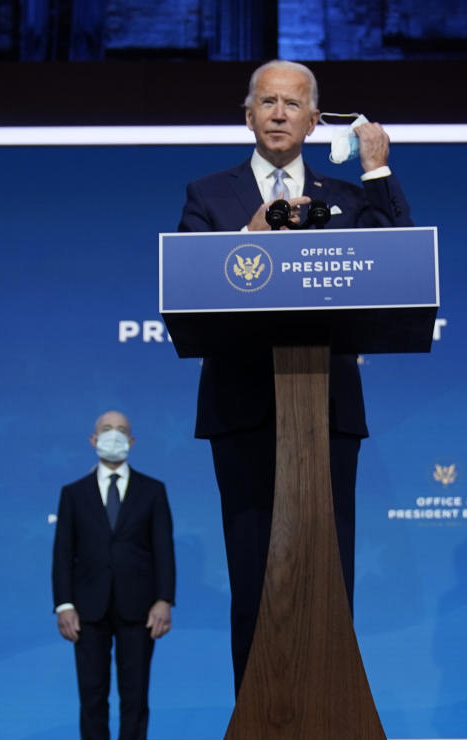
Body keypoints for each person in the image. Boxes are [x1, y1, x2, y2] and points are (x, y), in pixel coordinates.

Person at [178, 59, 412, 693]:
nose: (279, 114)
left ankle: (332, 726)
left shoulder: (346, 197)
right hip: (242, 409)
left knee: (328, 577)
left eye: (293, 104)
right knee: (255, 579)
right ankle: (257, 733)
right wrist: (245, 240)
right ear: (248, 114)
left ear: (316, 121)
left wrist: (377, 168)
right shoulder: (209, 195)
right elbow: (189, 290)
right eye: (267, 102)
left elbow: (397, 263)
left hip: (327, 409)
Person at [52, 410, 175, 740]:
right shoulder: (73, 493)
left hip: (139, 609)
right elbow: (62, 554)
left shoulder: (153, 491)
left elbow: (163, 550)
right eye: (106, 429)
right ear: (93, 440)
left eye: (122, 430)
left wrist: (164, 599)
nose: (114, 435)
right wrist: (64, 605)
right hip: (87, 609)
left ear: (132, 442)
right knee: (92, 695)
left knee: (135, 696)